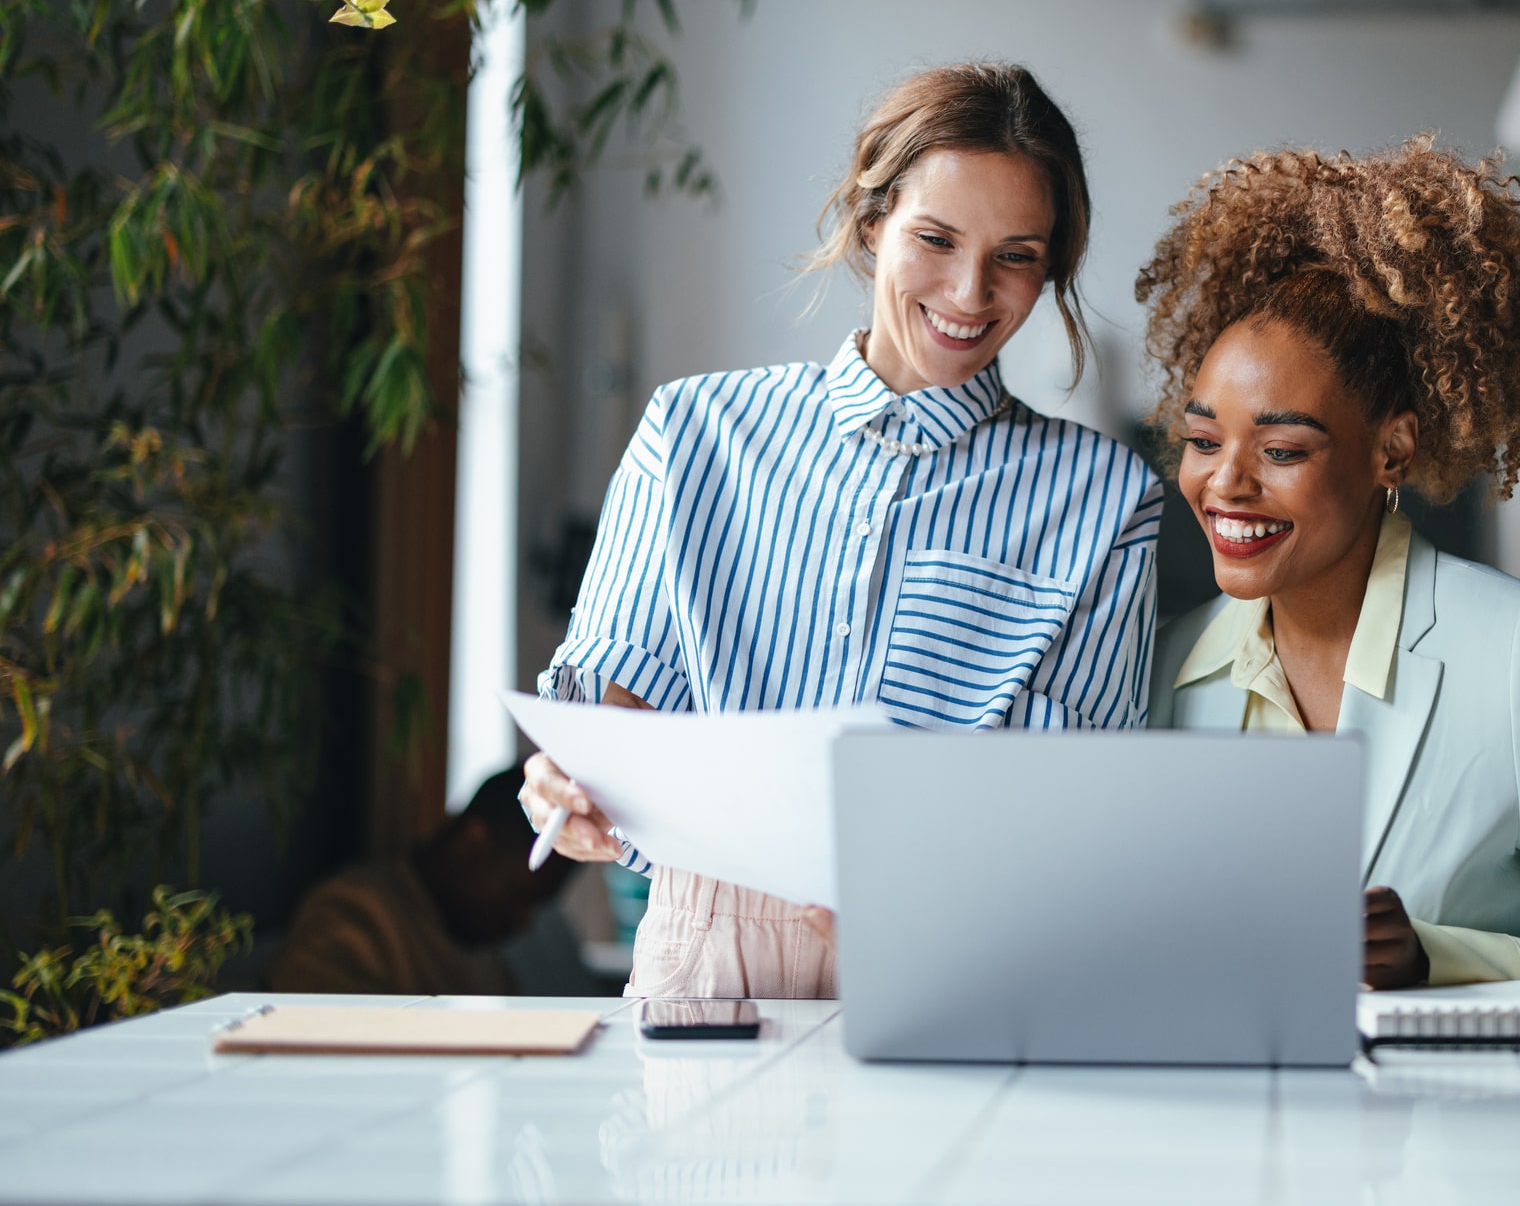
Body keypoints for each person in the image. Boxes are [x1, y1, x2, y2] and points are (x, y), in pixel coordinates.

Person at [520, 64, 1162, 1000]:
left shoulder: (1104, 497)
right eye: (935, 239)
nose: (970, 291)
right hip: (709, 945)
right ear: (871, 225)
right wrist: (571, 790)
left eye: (1017, 256)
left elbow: (1080, 804)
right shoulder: (695, 431)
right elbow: (610, 727)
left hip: (967, 955)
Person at [1136, 138, 1520, 1006]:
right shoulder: (1163, 671)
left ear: (1393, 450)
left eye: (1282, 448)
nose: (1226, 482)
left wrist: (1438, 957)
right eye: (1202, 441)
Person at [267, 769, 574, 995]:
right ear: (472, 844)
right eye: (519, 895)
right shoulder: (353, 913)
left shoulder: (479, 946)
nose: (524, 921)